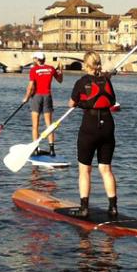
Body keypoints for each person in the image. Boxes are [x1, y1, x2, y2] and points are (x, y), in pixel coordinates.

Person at [68, 51, 117, 220]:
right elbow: (111, 101)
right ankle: (113, 207)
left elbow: (71, 103)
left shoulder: (81, 82)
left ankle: (84, 208)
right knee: (105, 169)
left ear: (85, 64)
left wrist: (80, 103)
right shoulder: (107, 80)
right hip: (108, 126)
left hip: (89, 128)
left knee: (85, 170)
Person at [23, 51, 63, 156]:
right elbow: (60, 80)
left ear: (37, 59)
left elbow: (30, 86)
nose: (33, 60)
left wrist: (26, 98)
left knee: (35, 125)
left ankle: (36, 149)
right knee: (49, 125)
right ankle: (52, 149)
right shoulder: (51, 69)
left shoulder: (33, 70)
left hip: (37, 97)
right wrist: (61, 71)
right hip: (48, 96)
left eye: (34, 59)